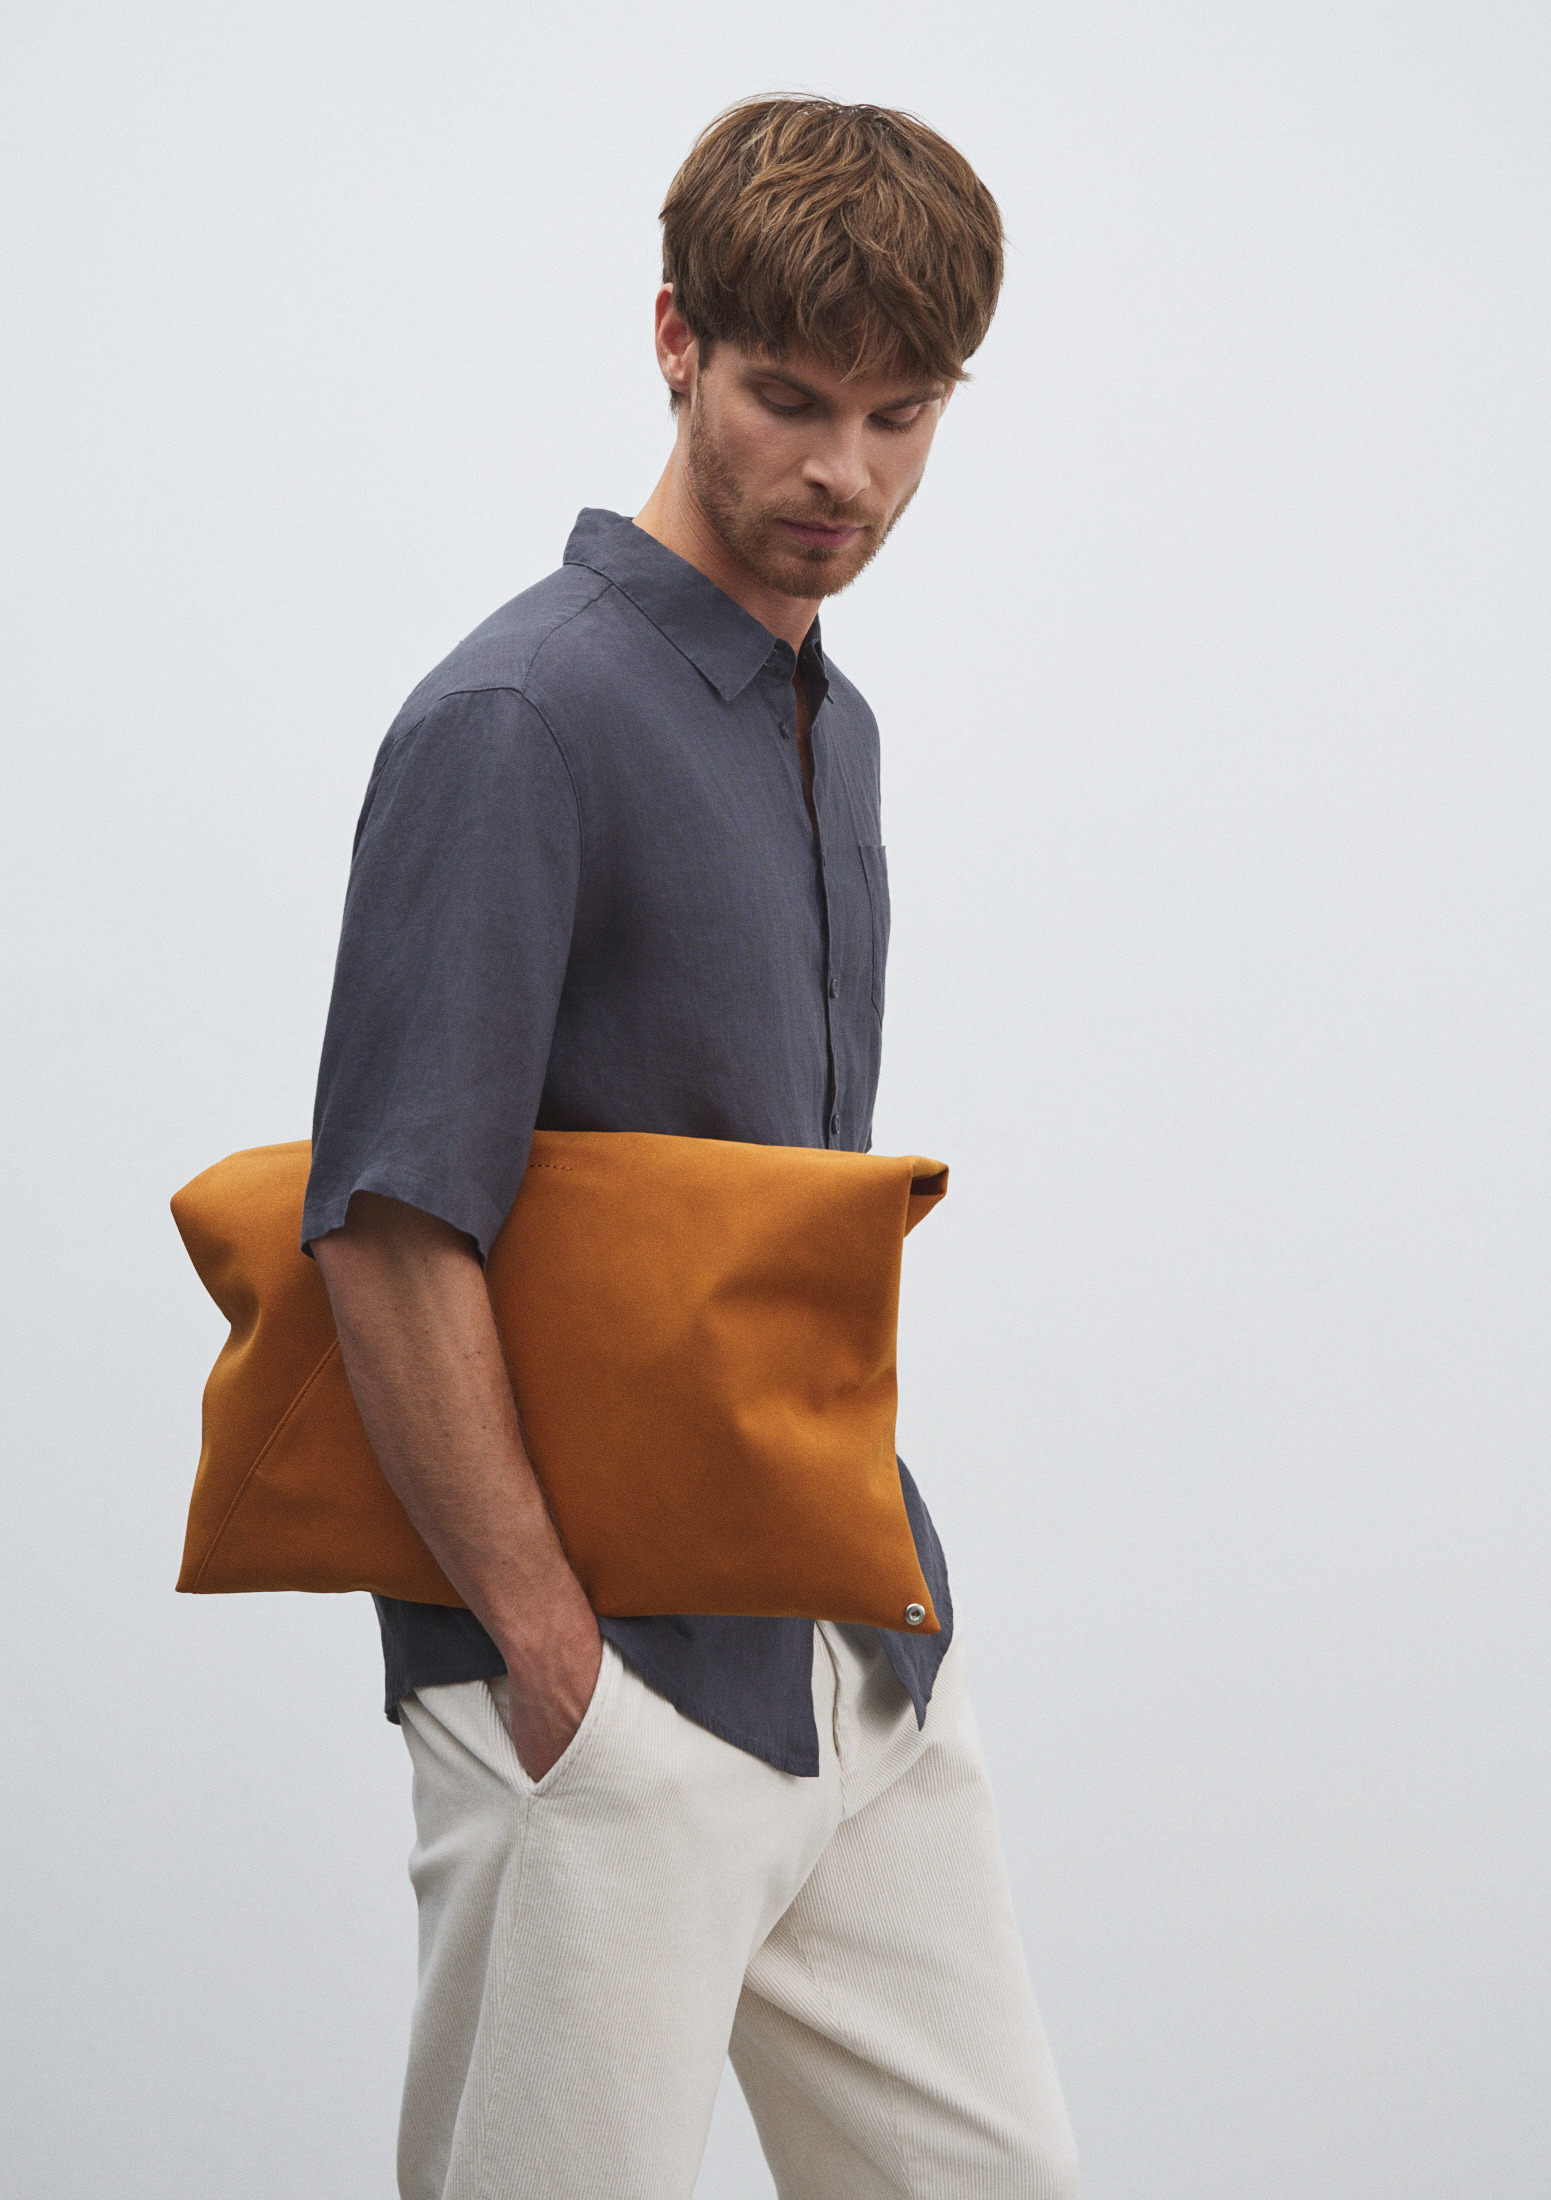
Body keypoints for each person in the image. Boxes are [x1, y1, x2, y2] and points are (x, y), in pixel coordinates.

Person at [304, 95, 1079, 2200]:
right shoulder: (520, 717)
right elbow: (385, 1219)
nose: (847, 475)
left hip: (849, 1646)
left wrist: (878, 1598)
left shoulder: (836, 727)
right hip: (605, 1683)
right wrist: (548, 1659)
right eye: (791, 401)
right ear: (674, 340)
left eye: (904, 417)